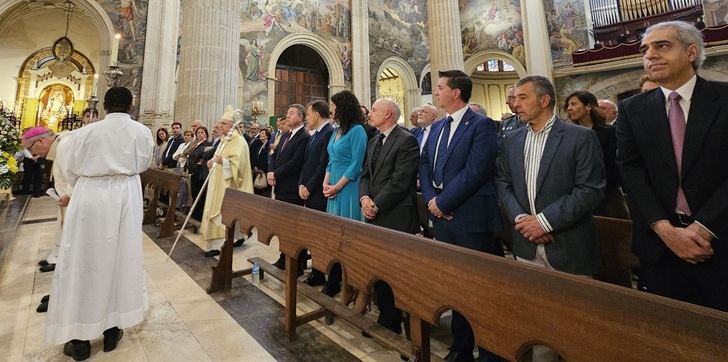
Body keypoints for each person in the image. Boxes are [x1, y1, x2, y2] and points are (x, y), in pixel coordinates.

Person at [617, 21, 728, 312]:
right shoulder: (633, 108)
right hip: (660, 248)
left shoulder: (724, 98)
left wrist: (703, 227)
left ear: (691, 52)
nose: (649, 55)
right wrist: (665, 229)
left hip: (720, 238)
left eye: (662, 45)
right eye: (645, 49)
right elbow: (631, 170)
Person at [41, 86, 154, 361]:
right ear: (132, 105)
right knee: (121, 258)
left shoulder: (85, 133)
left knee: (85, 261)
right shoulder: (142, 132)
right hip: (127, 193)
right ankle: (113, 329)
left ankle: (79, 338)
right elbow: (145, 162)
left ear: (104, 105)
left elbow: (68, 170)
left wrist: (70, 193)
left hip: (91, 196)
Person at [496, 76, 605, 362]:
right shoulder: (512, 139)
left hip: (568, 245)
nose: (515, 104)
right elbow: (503, 183)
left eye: (522, 97)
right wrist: (523, 219)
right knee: (537, 323)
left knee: (577, 328)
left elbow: (590, 190)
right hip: (526, 245)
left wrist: (543, 222)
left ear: (544, 100)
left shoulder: (579, 137)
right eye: (515, 98)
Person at [418, 70, 502, 362]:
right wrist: (432, 199)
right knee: (454, 283)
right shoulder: (439, 126)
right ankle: (461, 346)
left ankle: (489, 350)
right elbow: (426, 163)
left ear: (456, 93)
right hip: (442, 215)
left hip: (469, 215)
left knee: (477, 286)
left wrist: (444, 201)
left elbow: (477, 171)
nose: (436, 92)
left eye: (440, 87)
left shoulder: (482, 125)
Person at [359, 98, 420, 337]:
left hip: (395, 215)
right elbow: (365, 175)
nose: (370, 113)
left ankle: (404, 323)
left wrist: (377, 203)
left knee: (397, 273)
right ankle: (387, 319)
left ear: (388, 114)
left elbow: (401, 180)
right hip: (373, 214)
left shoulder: (407, 140)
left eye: (374, 110)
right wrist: (364, 199)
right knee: (379, 269)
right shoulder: (374, 140)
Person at [22, 127, 75, 314]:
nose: (35, 154)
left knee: (72, 253)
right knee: (67, 250)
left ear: (41, 140)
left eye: (33, 149)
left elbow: (76, 175)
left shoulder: (66, 145)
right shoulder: (61, 144)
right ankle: (60, 292)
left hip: (75, 204)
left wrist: (68, 195)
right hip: (69, 203)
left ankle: (64, 294)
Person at [320, 90, 367, 297]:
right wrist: (325, 182)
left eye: (333, 105)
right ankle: (335, 278)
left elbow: (357, 165)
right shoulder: (336, 131)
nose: (331, 109)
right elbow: (331, 159)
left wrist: (337, 186)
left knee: (347, 237)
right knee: (333, 236)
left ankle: (351, 284)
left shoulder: (357, 131)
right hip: (333, 186)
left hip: (348, 187)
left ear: (343, 107)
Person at [199, 109, 254, 257]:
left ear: (231, 125)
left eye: (223, 123)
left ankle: (219, 244)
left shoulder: (238, 140)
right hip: (219, 181)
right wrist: (213, 162)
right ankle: (238, 237)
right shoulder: (226, 139)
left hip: (229, 184)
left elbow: (238, 165)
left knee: (222, 212)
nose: (219, 126)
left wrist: (221, 161)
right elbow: (220, 157)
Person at [565, 90, 628, 219]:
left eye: (573, 104)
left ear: (588, 107)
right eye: (568, 105)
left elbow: (614, 165)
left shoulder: (610, 132)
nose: (569, 109)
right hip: (578, 197)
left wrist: (596, 186)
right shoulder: (567, 135)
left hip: (607, 195)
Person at [268, 104, 311, 269]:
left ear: (301, 117)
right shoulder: (286, 135)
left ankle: (297, 263)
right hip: (280, 188)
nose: (287, 116)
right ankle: (283, 256)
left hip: (292, 189)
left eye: (291, 113)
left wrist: (276, 174)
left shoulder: (304, 137)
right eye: (287, 113)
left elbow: (296, 163)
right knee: (283, 227)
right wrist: (271, 171)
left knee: (294, 228)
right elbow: (274, 155)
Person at [299, 100, 335, 286]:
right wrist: (301, 184)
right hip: (309, 192)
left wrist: (309, 187)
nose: (306, 117)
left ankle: (320, 273)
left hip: (319, 193)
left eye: (308, 113)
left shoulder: (329, 133)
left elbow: (322, 166)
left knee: (321, 236)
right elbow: (306, 164)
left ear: (317, 115)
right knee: (313, 234)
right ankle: (316, 273)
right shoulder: (314, 135)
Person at [186, 126, 211, 221]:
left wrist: (200, 161)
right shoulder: (195, 144)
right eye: (198, 133)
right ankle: (195, 214)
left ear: (206, 134)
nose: (199, 134)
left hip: (200, 173)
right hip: (193, 172)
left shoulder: (208, 144)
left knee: (200, 195)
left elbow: (206, 156)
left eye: (202, 132)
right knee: (194, 194)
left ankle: (200, 216)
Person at [250, 128, 271, 197]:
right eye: (260, 133)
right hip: (257, 170)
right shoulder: (259, 145)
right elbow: (255, 157)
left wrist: (262, 170)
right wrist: (255, 166)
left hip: (264, 172)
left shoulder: (269, 145)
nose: (260, 135)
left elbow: (267, 159)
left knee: (263, 193)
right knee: (256, 191)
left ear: (267, 136)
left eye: (262, 133)